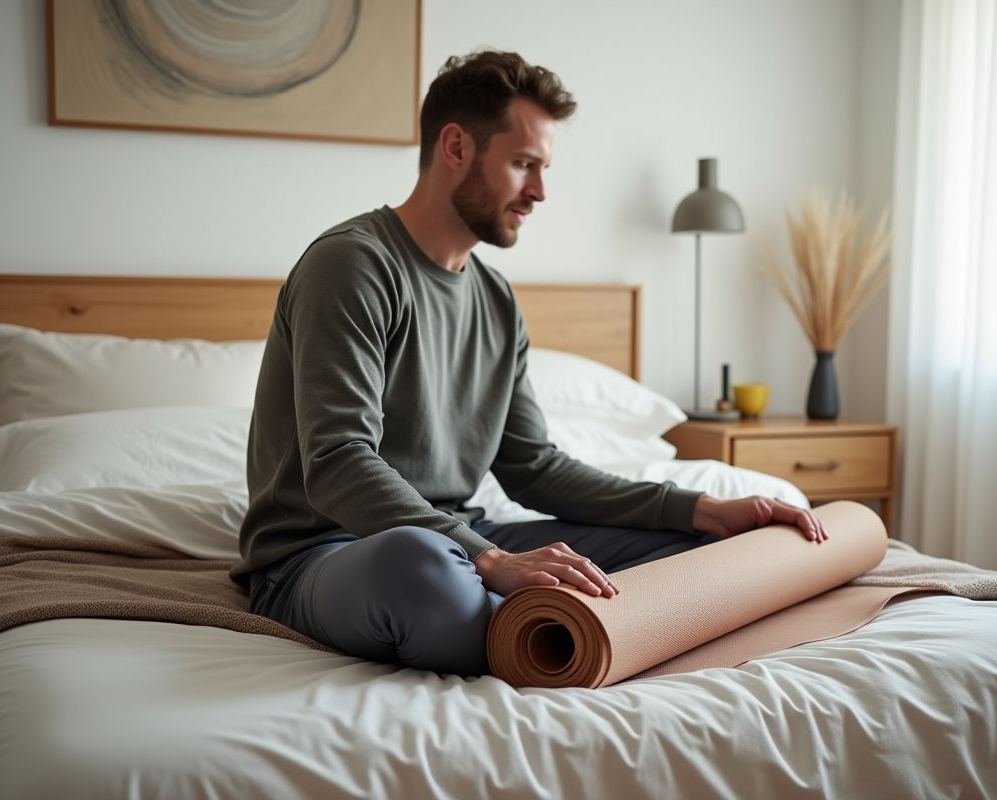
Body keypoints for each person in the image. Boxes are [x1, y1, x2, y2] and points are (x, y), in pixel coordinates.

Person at [232, 50, 827, 677]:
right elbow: (337, 459)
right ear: (456, 147)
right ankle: (526, 613)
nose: (540, 192)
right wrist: (487, 561)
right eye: (523, 165)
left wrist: (703, 508)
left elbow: (533, 467)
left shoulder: (495, 299)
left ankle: (535, 609)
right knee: (425, 571)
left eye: (543, 168)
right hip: (328, 554)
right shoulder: (353, 265)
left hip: (466, 543)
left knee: (698, 553)